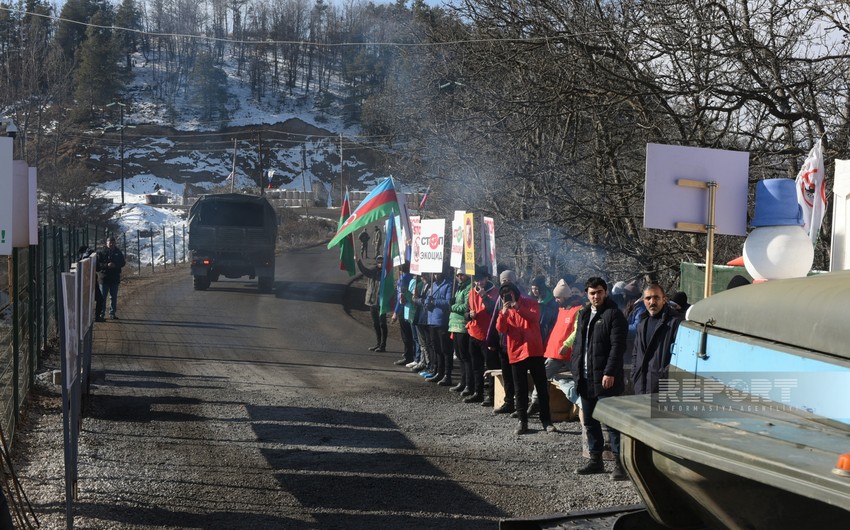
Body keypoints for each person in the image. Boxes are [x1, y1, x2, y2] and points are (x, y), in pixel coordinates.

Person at [571, 276, 628, 480]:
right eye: (592, 293)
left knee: (611, 424)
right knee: (590, 423)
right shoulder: (584, 314)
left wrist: (610, 372)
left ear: (606, 292)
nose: (596, 296)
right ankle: (596, 461)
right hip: (586, 377)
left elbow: (618, 347)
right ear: (587, 294)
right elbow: (579, 345)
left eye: (600, 292)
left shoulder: (614, 315)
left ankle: (621, 465)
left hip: (606, 379)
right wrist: (575, 370)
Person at [496, 281, 554, 434]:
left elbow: (533, 318)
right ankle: (523, 421)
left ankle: (546, 420)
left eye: (509, 294)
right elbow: (500, 329)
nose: (507, 297)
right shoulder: (504, 310)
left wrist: (517, 307)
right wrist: (503, 312)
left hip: (534, 350)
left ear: (516, 293)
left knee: (541, 388)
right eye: (504, 296)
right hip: (516, 352)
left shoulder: (530, 303)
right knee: (520, 389)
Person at [528, 279, 581, 414]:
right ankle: (535, 402)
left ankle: (584, 406)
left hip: (570, 352)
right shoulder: (560, 309)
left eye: (558, 297)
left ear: (565, 296)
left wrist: (566, 345)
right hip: (555, 352)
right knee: (542, 376)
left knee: (580, 378)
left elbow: (577, 331)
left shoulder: (578, 310)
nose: (556, 299)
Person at [632, 284, 682, 395]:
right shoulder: (642, 323)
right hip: (641, 387)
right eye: (648, 298)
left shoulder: (675, 323)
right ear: (643, 301)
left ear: (664, 299)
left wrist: (664, 376)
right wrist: (635, 375)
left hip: (662, 390)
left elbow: (680, 356)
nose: (652, 302)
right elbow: (636, 354)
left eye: (656, 297)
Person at [466, 265, 499, 405]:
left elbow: (494, 311)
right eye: (477, 281)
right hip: (473, 332)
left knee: (491, 367)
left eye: (482, 280)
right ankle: (477, 392)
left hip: (488, 335)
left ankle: (492, 396)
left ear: (487, 278)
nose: (479, 283)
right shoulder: (471, 291)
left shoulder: (495, 291)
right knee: (476, 366)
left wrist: (483, 295)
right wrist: (469, 315)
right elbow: (466, 312)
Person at [425, 264, 453, 385]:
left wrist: (434, 301)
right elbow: (427, 299)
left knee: (445, 349)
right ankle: (439, 371)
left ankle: (447, 374)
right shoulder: (433, 284)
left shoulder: (449, 284)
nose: (436, 275)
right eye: (434, 273)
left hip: (442, 321)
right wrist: (427, 302)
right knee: (436, 349)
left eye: (437, 273)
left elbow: (448, 302)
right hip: (431, 320)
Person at [356, 255, 387, 352]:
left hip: (381, 302)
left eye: (382, 262)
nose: (380, 263)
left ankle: (383, 345)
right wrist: (358, 262)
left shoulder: (386, 273)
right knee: (375, 323)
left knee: (382, 324)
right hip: (372, 301)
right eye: (379, 262)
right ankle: (378, 343)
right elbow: (365, 271)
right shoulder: (372, 271)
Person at [448, 269, 472, 394]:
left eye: (462, 274)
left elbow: (466, 306)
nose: (460, 277)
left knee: (465, 356)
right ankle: (463, 382)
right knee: (459, 355)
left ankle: (469, 383)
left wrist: (452, 306)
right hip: (454, 325)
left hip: (462, 325)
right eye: (458, 275)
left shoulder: (468, 287)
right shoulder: (459, 287)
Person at [391, 263, 416, 366]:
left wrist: (396, 312)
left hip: (404, 309)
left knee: (406, 335)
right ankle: (411, 355)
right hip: (407, 309)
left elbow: (400, 298)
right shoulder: (408, 277)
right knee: (411, 335)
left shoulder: (404, 278)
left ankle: (408, 356)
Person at [96, 236, 126, 320]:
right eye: (110, 242)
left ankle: (112, 314)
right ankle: (101, 314)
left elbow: (123, 263)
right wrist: (106, 265)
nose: (111, 244)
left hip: (114, 278)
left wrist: (115, 265)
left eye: (113, 242)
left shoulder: (118, 252)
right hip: (104, 278)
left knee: (113, 297)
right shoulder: (101, 252)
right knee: (102, 298)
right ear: (106, 243)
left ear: (115, 243)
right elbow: (98, 264)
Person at [78, 246, 105, 322]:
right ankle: (95, 317)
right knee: (99, 299)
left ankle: (90, 317)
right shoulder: (88, 257)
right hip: (89, 281)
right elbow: (99, 269)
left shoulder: (80, 258)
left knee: (96, 300)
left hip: (87, 281)